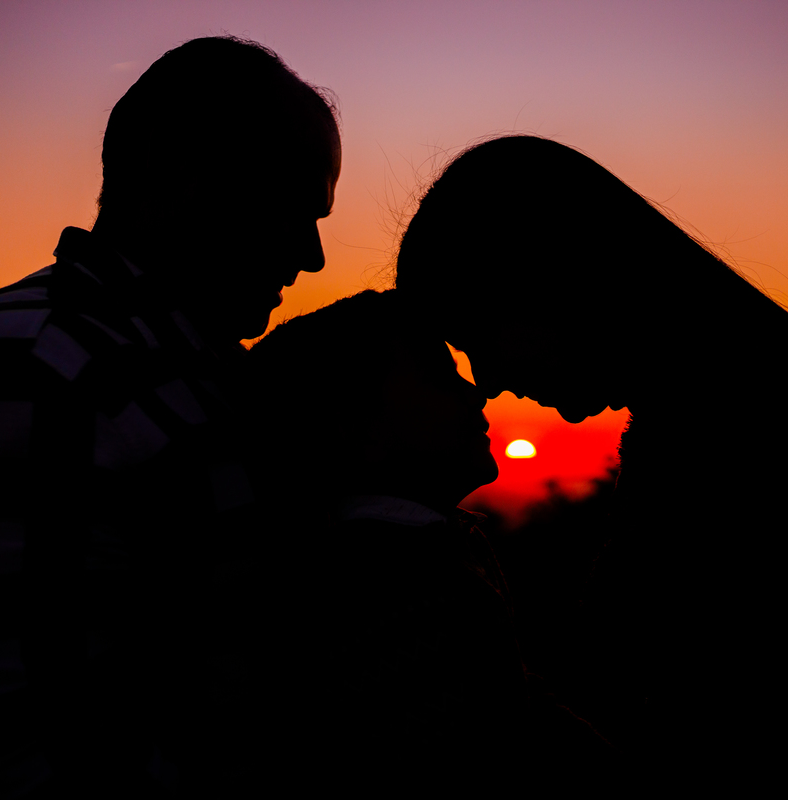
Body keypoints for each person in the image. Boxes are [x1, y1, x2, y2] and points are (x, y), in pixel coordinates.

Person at [0, 36, 339, 795]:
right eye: (290, 208)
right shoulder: (23, 373)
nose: (312, 256)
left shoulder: (160, 368)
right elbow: (7, 750)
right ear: (180, 179)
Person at [395, 136, 788, 790]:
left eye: (479, 336)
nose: (486, 380)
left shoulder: (752, 437)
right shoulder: (719, 413)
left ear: (554, 281)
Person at [246, 290, 616, 789]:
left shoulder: (430, 550)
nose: (476, 394)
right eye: (441, 377)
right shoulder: (382, 590)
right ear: (356, 430)